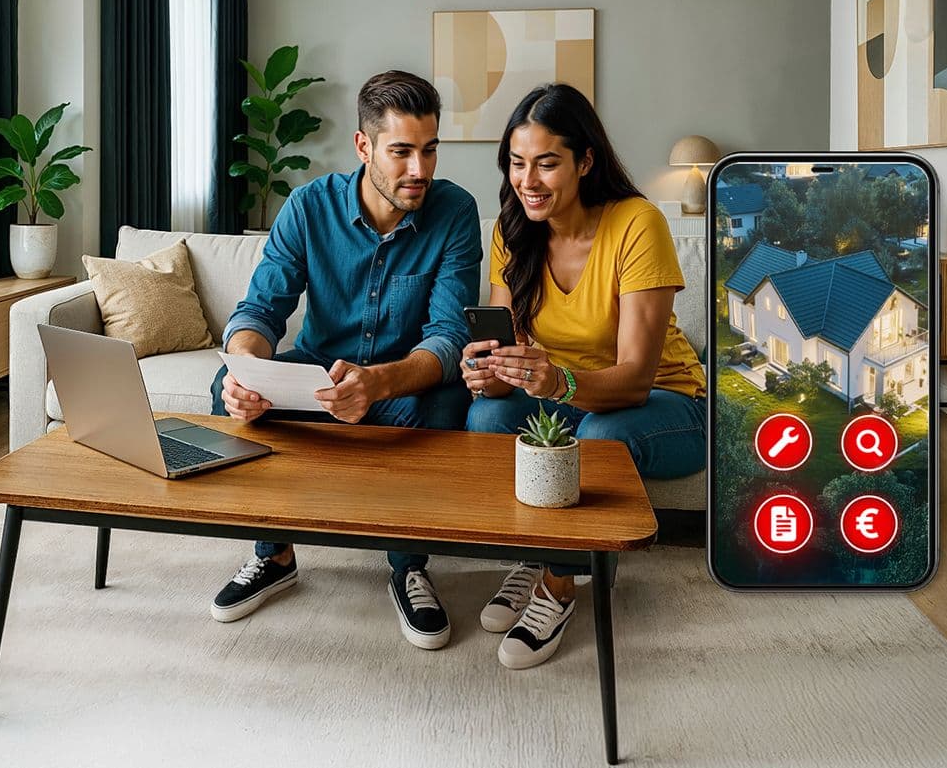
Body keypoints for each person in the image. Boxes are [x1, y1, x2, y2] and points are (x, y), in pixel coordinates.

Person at [206, 70, 481, 651]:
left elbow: (449, 337)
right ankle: (274, 555)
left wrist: (377, 383)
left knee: (449, 402)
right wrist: (244, 370)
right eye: (402, 151)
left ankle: (408, 566)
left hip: (403, 380)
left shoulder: (455, 211)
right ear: (364, 146)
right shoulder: (308, 208)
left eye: (430, 150)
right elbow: (259, 310)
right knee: (222, 390)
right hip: (317, 373)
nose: (420, 170)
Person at [459, 83, 707, 669]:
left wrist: (556, 383)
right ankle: (535, 550)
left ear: (585, 161)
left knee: (599, 439)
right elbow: (514, 351)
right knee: (486, 415)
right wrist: (493, 372)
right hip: (569, 393)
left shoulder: (636, 223)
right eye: (517, 164)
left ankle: (559, 583)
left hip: (665, 405)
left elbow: (634, 381)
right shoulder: (512, 231)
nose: (529, 181)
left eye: (547, 163)